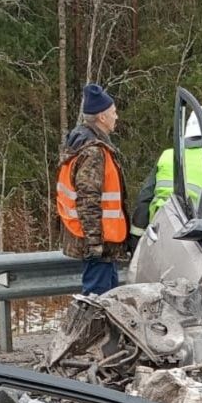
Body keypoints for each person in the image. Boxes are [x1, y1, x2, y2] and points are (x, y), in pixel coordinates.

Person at [56, 83, 130, 294]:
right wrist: (94, 243)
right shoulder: (94, 152)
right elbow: (88, 200)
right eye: (114, 113)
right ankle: (91, 329)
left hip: (101, 241)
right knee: (97, 301)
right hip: (99, 243)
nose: (117, 117)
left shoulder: (83, 145)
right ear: (102, 118)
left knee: (108, 301)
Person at [130, 105, 202, 242]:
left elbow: (144, 199)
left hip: (158, 235)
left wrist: (136, 240)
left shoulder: (167, 156)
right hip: (194, 241)